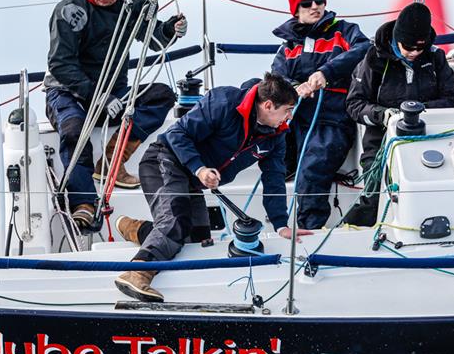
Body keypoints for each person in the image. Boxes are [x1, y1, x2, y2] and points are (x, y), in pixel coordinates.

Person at [113, 72, 312, 302]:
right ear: (268, 105)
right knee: (176, 222)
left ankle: (136, 229)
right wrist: (200, 169)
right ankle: (136, 273)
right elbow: (177, 134)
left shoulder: (275, 136)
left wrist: (281, 225)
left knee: (198, 241)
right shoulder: (225, 102)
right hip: (163, 160)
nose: (288, 117)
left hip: (191, 178)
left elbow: (274, 177)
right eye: (286, 110)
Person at [44, 0, 186, 227]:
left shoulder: (129, 6)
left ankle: (112, 161)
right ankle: (83, 202)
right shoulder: (70, 10)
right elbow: (60, 64)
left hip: (112, 96)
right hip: (69, 93)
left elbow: (154, 40)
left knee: (161, 95)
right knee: (74, 129)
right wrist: (100, 97)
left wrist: (171, 29)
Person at [345, 2, 454, 225]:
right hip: (381, 139)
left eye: (420, 48)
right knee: (374, 188)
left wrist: (420, 110)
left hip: (430, 135)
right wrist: (383, 115)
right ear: (396, 39)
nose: (414, 53)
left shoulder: (436, 58)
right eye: (409, 48)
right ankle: (361, 229)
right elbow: (354, 104)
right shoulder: (373, 60)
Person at [270, 0, 369, 230]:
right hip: (295, 118)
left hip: (332, 116)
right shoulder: (286, 48)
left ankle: (309, 232)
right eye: (307, 3)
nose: (315, 6)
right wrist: (296, 88)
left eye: (319, 0)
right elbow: (277, 77)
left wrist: (326, 72)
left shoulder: (345, 31)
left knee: (313, 166)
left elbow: (364, 48)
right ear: (296, 10)